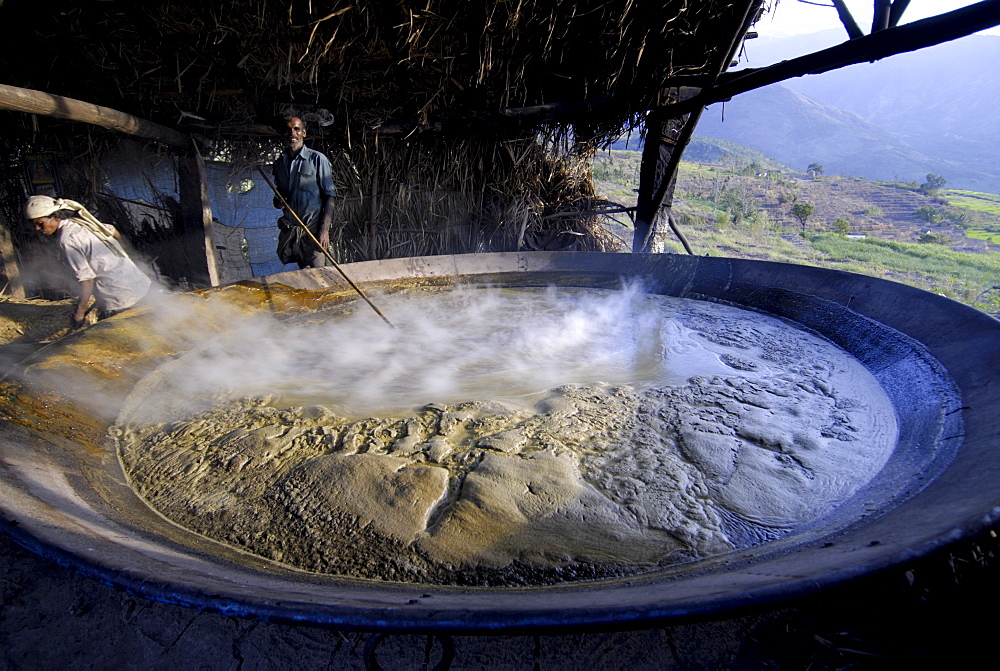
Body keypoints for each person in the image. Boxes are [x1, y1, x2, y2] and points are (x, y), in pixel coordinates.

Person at [24, 195, 152, 327]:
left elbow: (87, 280)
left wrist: (79, 314)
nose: (37, 229)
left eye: (40, 224)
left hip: (121, 298)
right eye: (34, 225)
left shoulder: (67, 239)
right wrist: (123, 256)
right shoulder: (81, 222)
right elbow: (112, 231)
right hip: (140, 284)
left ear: (55, 217)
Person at [270, 115, 337, 268]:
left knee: (318, 276)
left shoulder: (317, 159)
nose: (292, 133)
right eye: (288, 130)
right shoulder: (280, 164)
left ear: (304, 133)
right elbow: (279, 197)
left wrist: (324, 231)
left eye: (296, 129)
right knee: (301, 277)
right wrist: (278, 202)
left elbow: (330, 197)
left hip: (313, 232)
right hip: (291, 233)